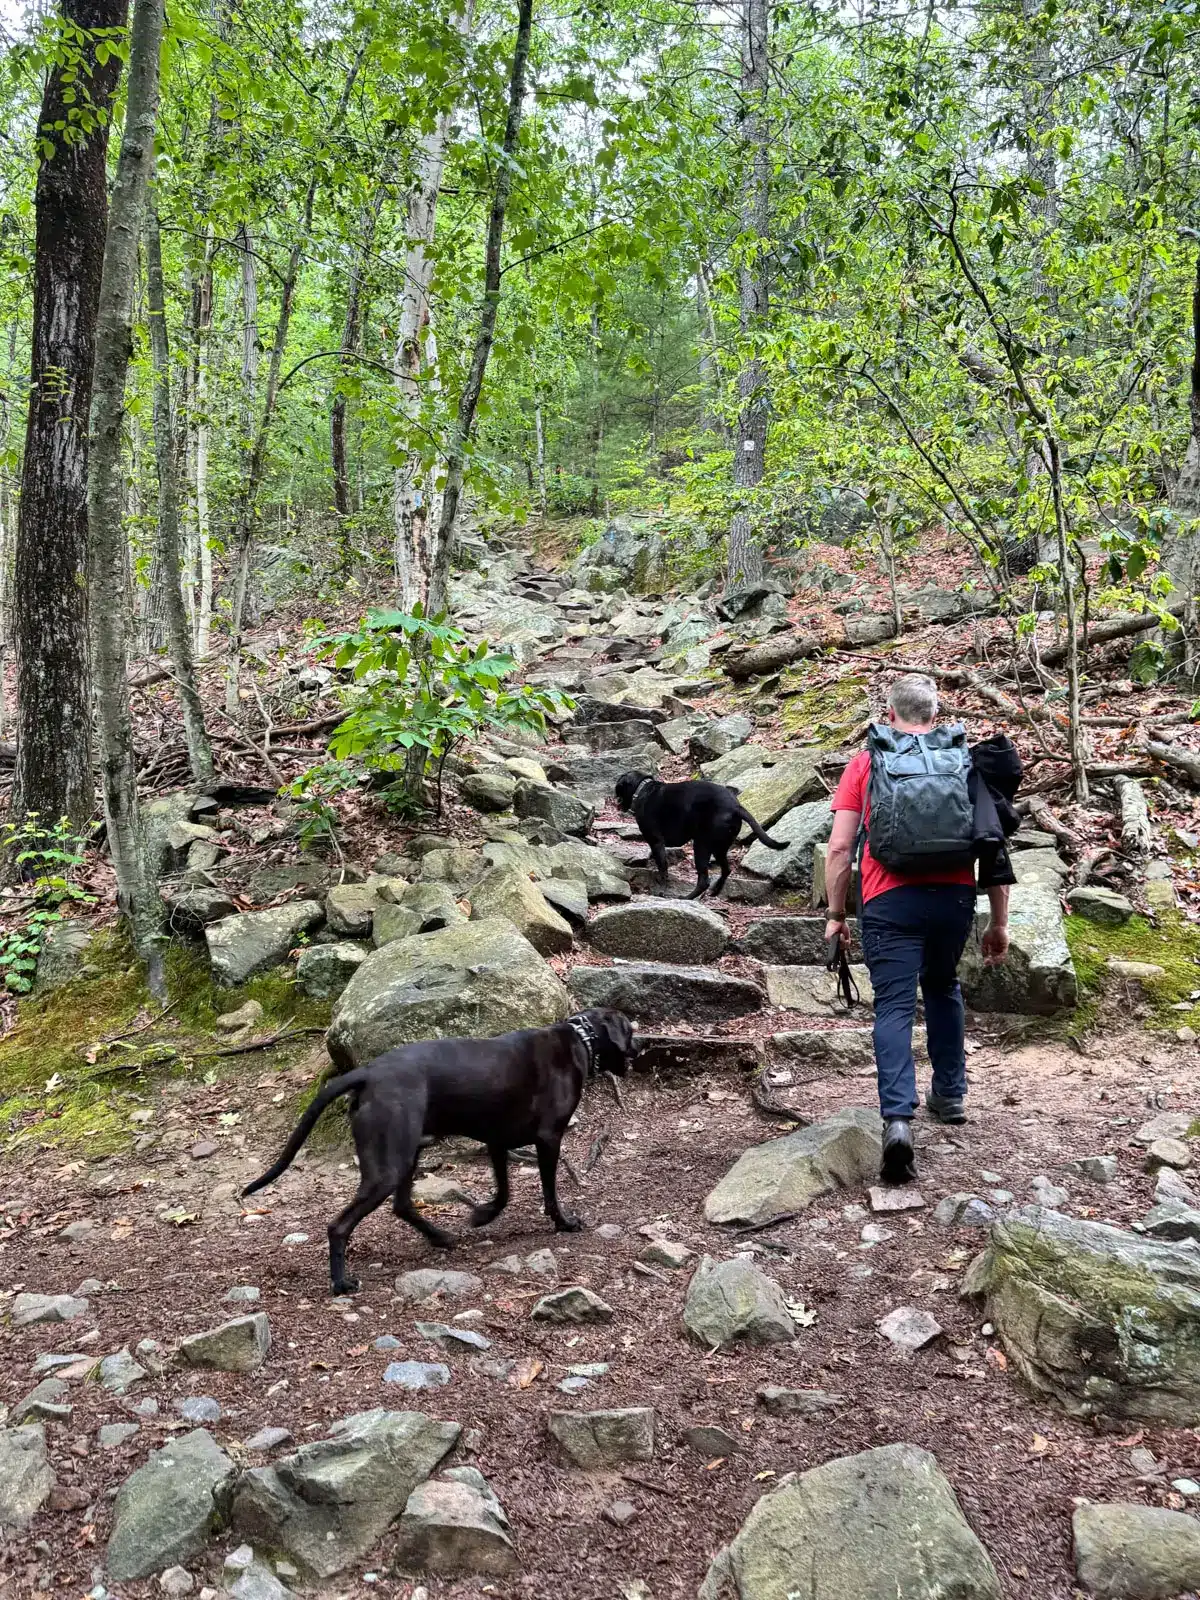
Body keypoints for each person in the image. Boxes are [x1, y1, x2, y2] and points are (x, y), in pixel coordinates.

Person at [823, 673, 1010, 1182]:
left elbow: (840, 848)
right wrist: (999, 921)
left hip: (889, 899)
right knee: (944, 986)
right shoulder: (961, 759)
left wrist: (837, 915)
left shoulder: (868, 762)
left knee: (895, 1006)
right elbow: (992, 843)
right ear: (934, 715)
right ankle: (950, 1095)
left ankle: (899, 1122)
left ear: (890, 715)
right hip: (952, 897)